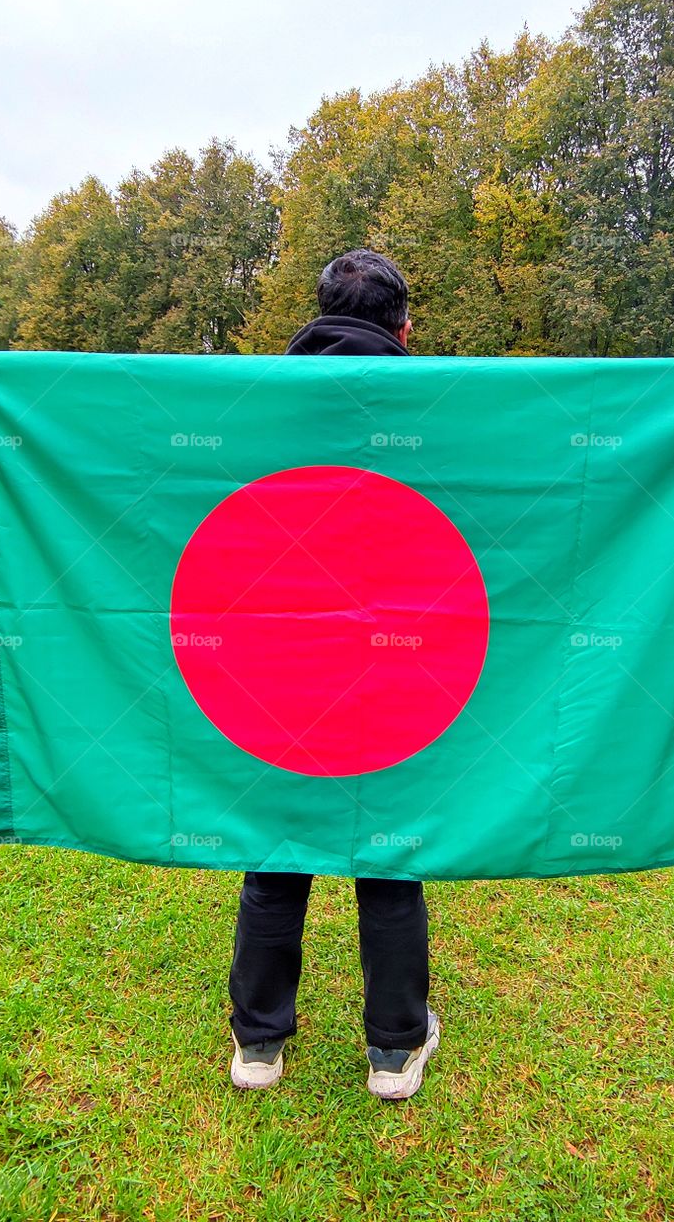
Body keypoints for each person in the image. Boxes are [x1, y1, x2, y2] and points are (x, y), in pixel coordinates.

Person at [227, 250, 440, 1100]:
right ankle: (393, 1051)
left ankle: (259, 1048)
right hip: (403, 668)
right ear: (404, 325)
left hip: (278, 667)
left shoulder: (253, 406)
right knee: (388, 851)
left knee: (276, 851)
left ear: (316, 313)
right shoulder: (438, 407)